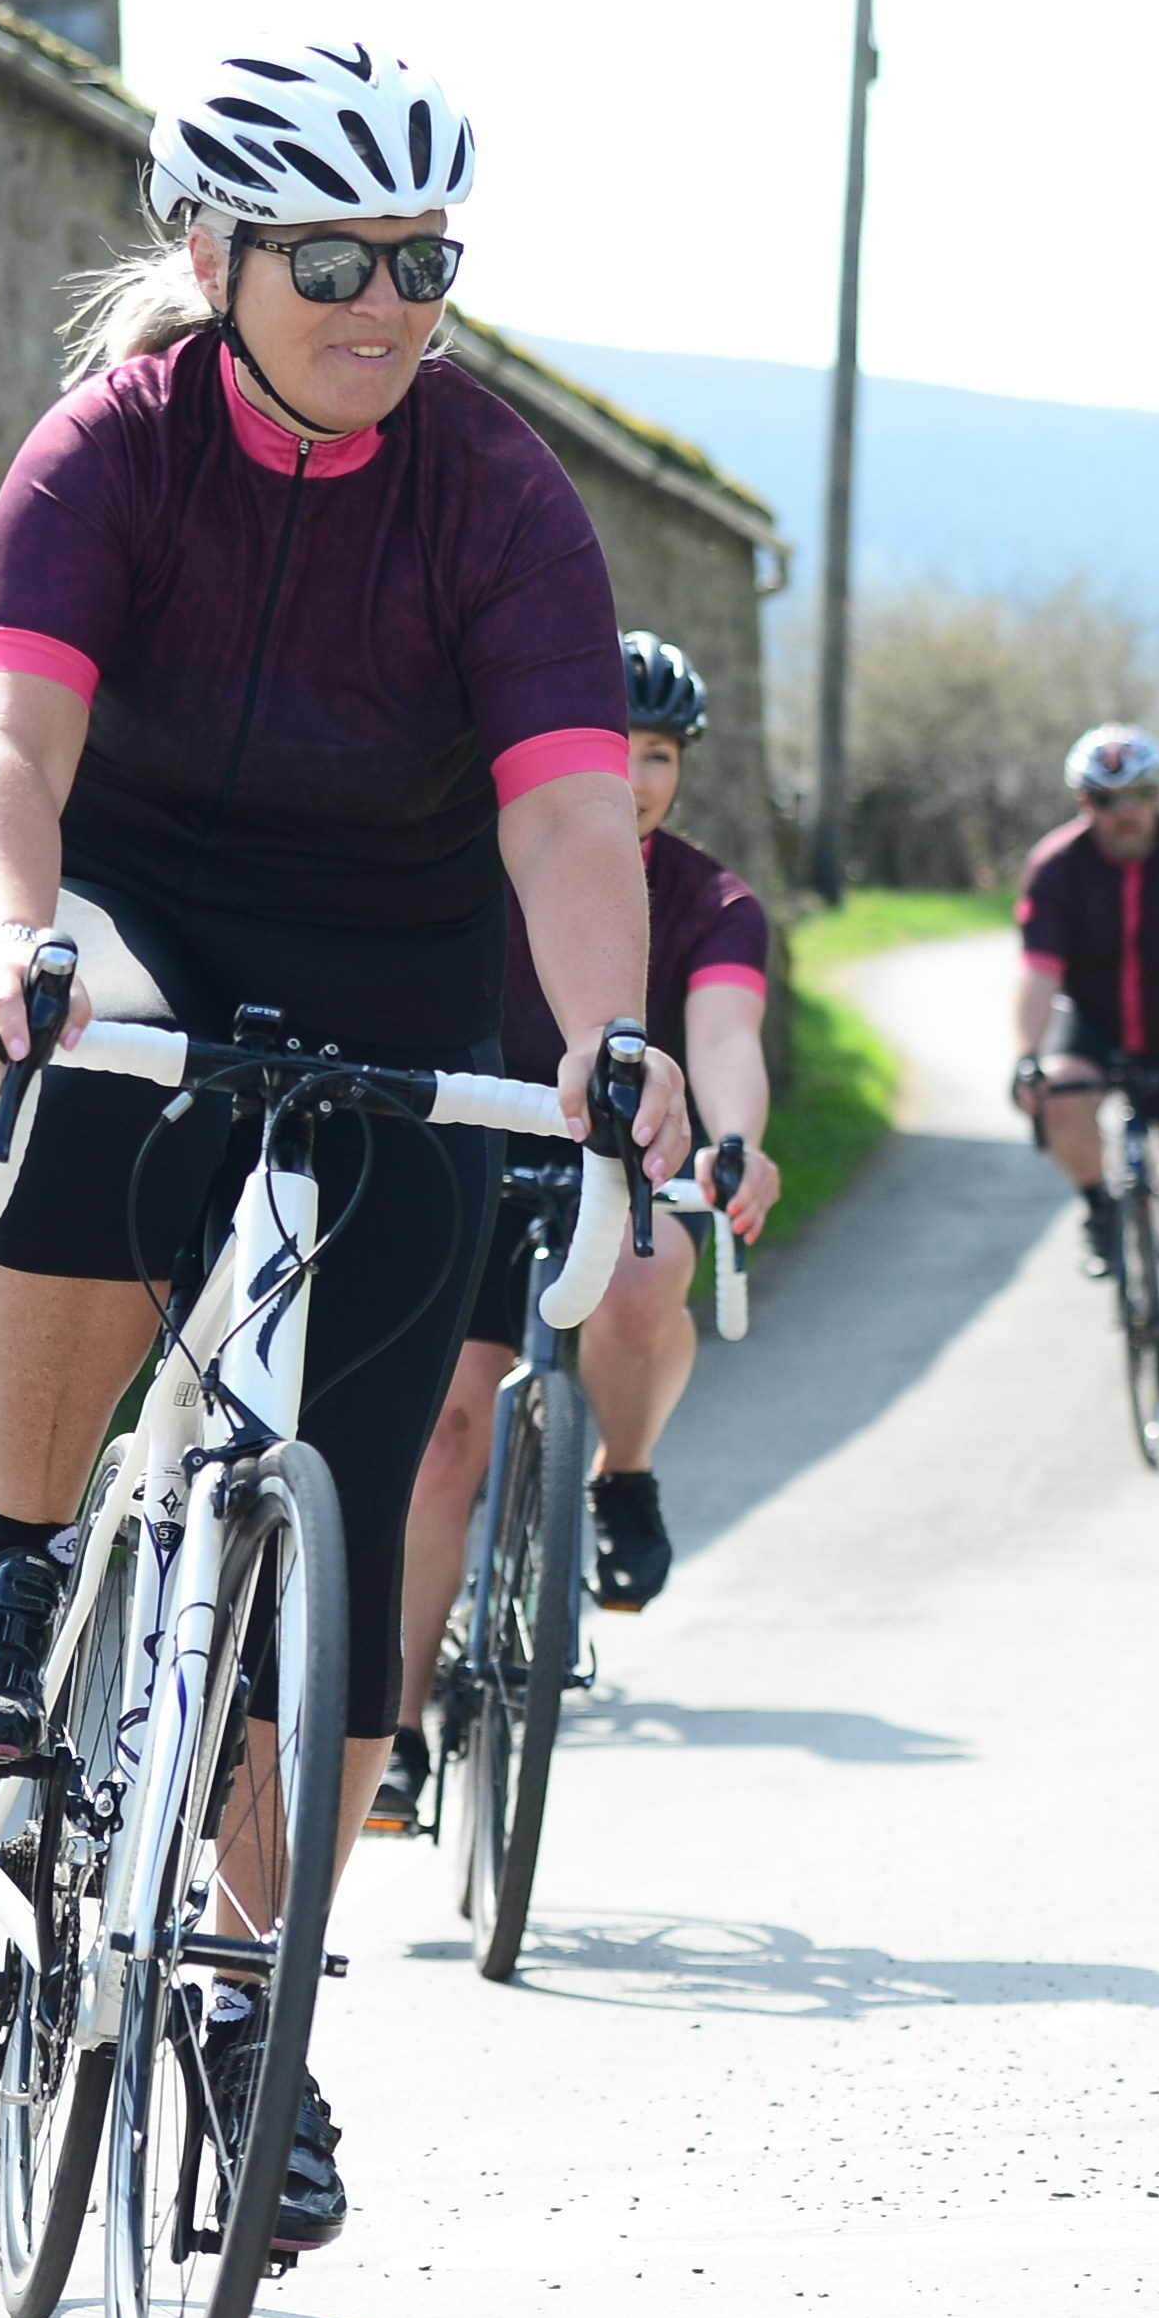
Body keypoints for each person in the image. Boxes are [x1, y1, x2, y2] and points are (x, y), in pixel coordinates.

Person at [0, 42, 692, 2251]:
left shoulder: (497, 490)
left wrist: (608, 1033)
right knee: (92, 1060)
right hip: (115, 905)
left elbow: (556, 807)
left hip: (390, 969)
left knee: (343, 1565)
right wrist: (10, 936)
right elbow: (8, 739)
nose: (386, 302)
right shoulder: (110, 454)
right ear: (213, 253)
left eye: (424, 261)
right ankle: (19, 1550)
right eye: (334, 259)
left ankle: (260, 1999)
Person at [371, 631, 780, 1838]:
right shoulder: (474, 849)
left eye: (658, 754)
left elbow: (722, 1038)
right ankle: (395, 1729)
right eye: (616, 747)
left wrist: (735, 1139)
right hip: (467, 1148)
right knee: (443, 1443)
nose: (637, 776)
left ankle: (627, 1478)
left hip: (615, 1160)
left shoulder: (711, 901)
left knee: (649, 1272)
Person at [1006, 726, 1159, 1402]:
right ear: (1082, 803)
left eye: (1137, 796)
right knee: (1056, 1094)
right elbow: (1038, 976)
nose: (1123, 813)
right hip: (1096, 1025)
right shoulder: (1054, 866)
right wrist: (1025, 1057)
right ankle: (1099, 1208)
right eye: (1104, 799)